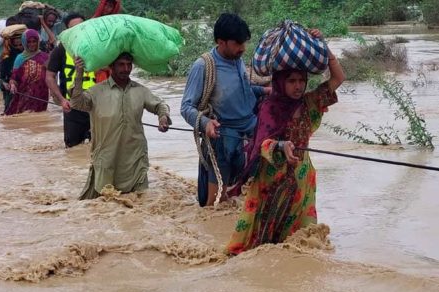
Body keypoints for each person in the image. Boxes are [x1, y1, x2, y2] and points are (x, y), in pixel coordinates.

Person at [225, 29, 345, 255]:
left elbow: (338, 78)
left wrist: (323, 46)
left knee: (302, 245)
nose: (298, 86)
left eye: (301, 80)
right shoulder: (270, 108)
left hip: (302, 180)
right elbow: (262, 144)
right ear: (280, 82)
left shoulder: (310, 103)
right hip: (272, 183)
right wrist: (281, 145)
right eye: (291, 81)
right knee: (261, 244)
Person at [180, 13, 271, 207]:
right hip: (224, 135)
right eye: (237, 43)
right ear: (221, 42)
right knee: (216, 206)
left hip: (250, 129)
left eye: (244, 43)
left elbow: (243, 91)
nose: (243, 48)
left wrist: (264, 90)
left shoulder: (237, 61)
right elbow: (186, 107)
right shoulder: (203, 66)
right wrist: (206, 123)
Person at [70, 52, 171, 200]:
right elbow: (77, 102)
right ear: (111, 66)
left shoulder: (140, 91)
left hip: (135, 158)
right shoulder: (96, 91)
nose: (126, 69)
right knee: (104, 205)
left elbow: (160, 105)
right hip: (106, 158)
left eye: (129, 64)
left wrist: (163, 116)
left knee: (141, 203)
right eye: (121, 65)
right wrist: (79, 74)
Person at [46, 12, 92, 148]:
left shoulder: (98, 46)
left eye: (82, 26)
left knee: (100, 146)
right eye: (74, 28)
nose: (79, 30)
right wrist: (61, 99)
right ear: (67, 31)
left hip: (97, 104)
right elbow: (50, 76)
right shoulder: (61, 49)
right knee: (72, 148)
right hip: (72, 105)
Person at [6, 29, 49, 115]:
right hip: (25, 93)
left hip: (41, 94)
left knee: (39, 118)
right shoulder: (20, 58)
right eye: (29, 42)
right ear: (25, 43)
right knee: (23, 115)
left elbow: (51, 76)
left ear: (38, 42)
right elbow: (14, 77)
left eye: (34, 41)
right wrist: (13, 85)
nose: (32, 44)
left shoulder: (45, 57)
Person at [0, 33, 24, 112]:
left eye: (21, 45)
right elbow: (0, 77)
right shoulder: (6, 58)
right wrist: (5, 84)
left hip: (26, 89)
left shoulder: (29, 56)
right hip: (10, 91)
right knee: (9, 111)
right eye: (16, 45)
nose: (19, 47)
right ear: (11, 45)